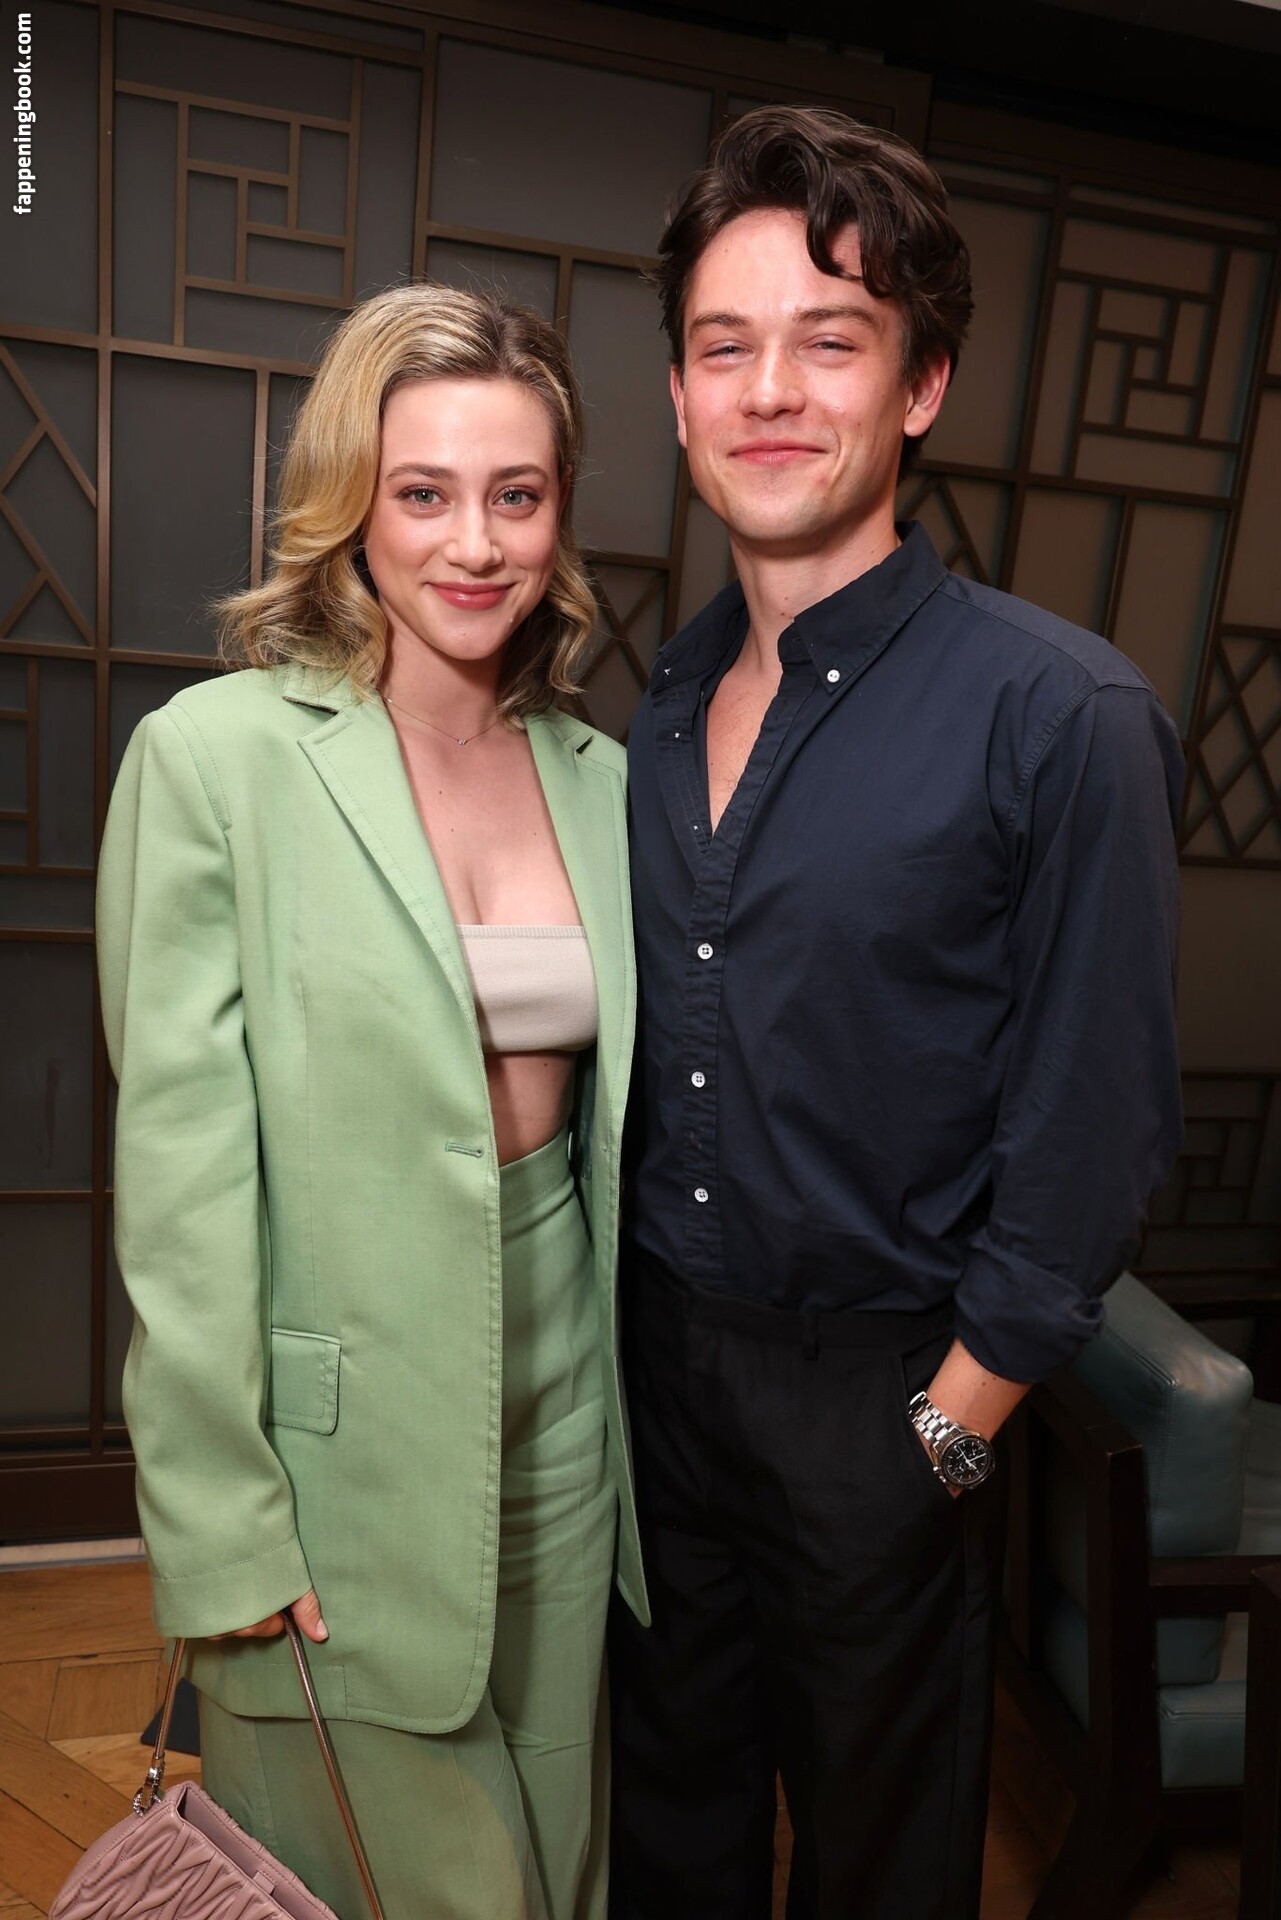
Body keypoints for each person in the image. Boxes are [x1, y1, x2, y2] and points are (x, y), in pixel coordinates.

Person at [610, 105, 1184, 1920]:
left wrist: (945, 1430)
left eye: (830, 339)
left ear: (921, 384)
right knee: (670, 1831)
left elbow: (1095, 1131)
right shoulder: (662, 696)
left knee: (878, 1870)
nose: (770, 390)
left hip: (886, 1394)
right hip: (654, 1368)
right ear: (679, 399)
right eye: (724, 348)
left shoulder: (1061, 717)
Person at [96, 282, 647, 1920]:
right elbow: (180, 1177)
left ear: (559, 511)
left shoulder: (605, 783)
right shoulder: (218, 760)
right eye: (423, 493)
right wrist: (219, 1521)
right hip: (329, 1466)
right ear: (353, 504)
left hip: (566, 1436)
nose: (473, 543)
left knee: (557, 1883)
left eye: (515, 494)